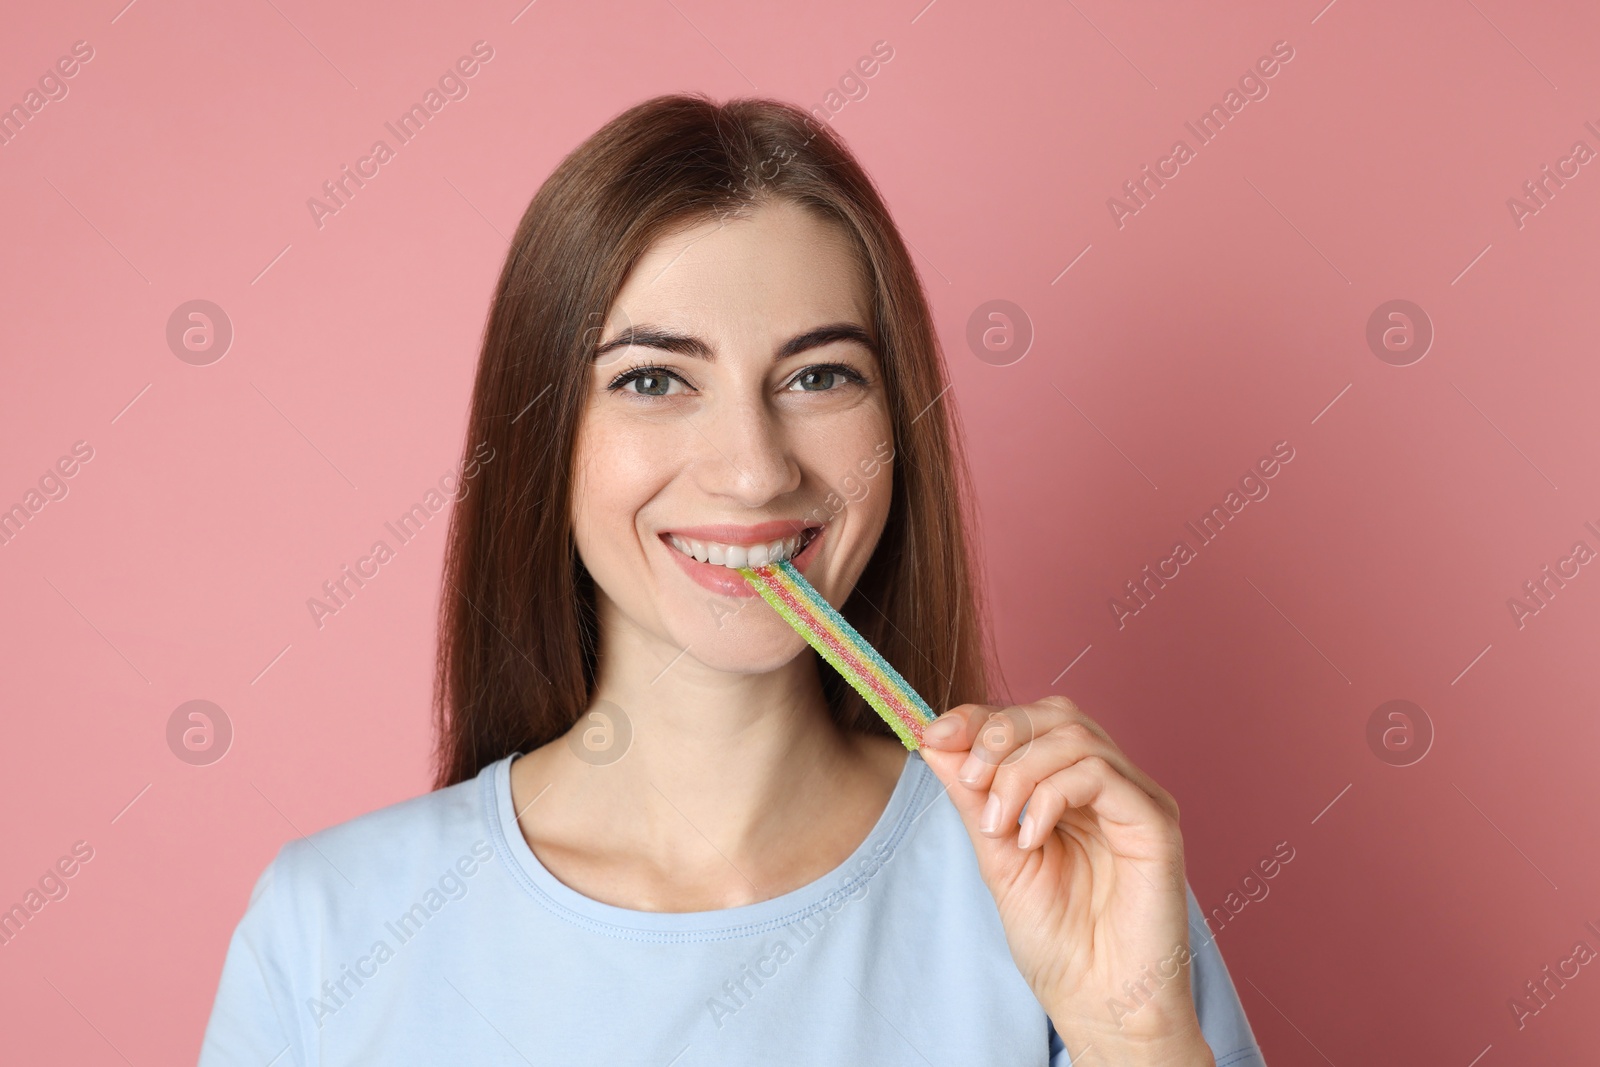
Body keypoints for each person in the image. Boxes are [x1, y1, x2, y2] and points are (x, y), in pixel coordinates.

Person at [199, 93, 1265, 1066]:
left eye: (818, 375)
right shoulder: (327, 929)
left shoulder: (1072, 885)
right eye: (654, 378)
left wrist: (1134, 1032)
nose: (756, 467)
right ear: (542, 437)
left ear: (897, 426)